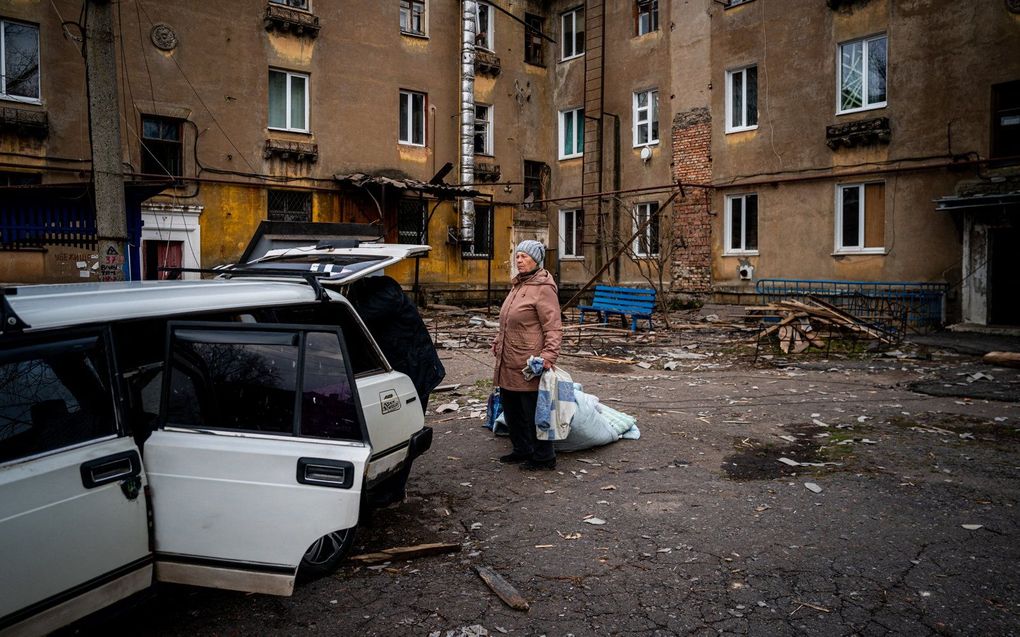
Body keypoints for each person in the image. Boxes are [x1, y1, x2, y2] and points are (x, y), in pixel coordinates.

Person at [491, 240, 563, 471]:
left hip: (529, 363)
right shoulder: (519, 284)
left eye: (524, 256)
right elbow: (510, 320)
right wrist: (498, 341)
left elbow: (553, 327)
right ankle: (522, 449)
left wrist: (548, 356)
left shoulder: (543, 287)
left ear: (536, 260)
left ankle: (544, 456)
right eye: (517, 256)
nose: (519, 260)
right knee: (512, 408)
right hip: (508, 358)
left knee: (533, 411)